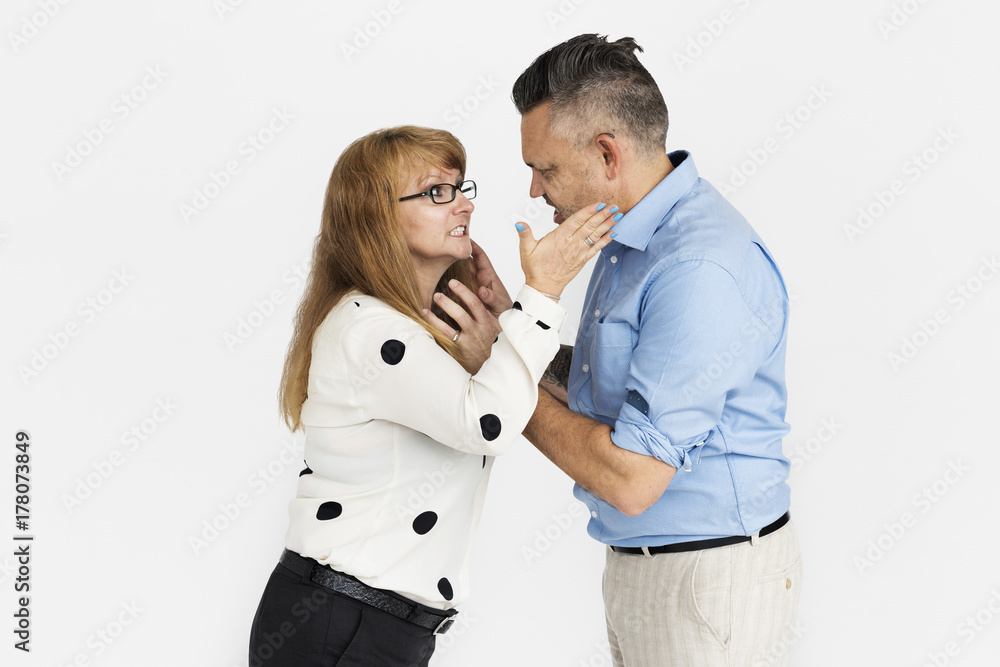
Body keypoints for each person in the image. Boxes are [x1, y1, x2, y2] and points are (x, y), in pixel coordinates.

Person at [469, 34, 803, 666]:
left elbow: (631, 479)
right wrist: (505, 330)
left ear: (606, 153)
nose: (536, 191)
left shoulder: (698, 266)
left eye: (545, 168)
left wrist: (500, 391)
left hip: (709, 583)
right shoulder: (628, 235)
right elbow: (607, 389)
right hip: (652, 572)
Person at [248, 125, 617, 666]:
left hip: (377, 623)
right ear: (376, 218)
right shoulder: (370, 329)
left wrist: (502, 323)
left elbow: (507, 396)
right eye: (435, 192)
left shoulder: (417, 330)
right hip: (340, 618)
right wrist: (542, 294)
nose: (462, 204)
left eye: (461, 187)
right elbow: (488, 421)